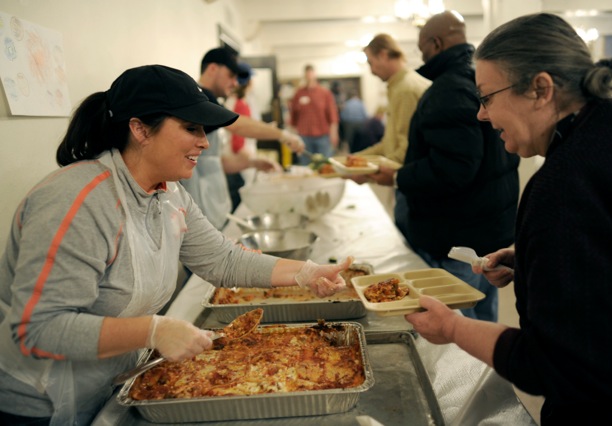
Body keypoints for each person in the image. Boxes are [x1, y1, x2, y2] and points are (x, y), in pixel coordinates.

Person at [0, 65, 352, 425]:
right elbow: (39, 329)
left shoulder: (169, 193)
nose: (204, 141)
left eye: (204, 130)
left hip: (111, 380)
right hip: (38, 402)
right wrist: (153, 330)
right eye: (191, 128)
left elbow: (222, 259)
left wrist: (305, 273)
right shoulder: (77, 202)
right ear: (139, 129)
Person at [405, 13, 612, 424]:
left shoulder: (564, 187)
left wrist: (453, 328)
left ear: (540, 89)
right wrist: (533, 256)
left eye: (487, 97)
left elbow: (558, 365)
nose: (481, 115)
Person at [369, 11, 520, 322]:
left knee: (458, 335)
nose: (420, 54)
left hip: (457, 237)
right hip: (488, 227)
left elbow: (453, 170)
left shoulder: (448, 89)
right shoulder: (479, 79)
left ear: (434, 44)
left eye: (422, 46)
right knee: (483, 318)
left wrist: (398, 176)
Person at [181, 47, 305, 229]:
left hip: (212, 202)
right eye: (231, 75)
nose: (235, 83)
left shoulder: (210, 101)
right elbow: (239, 124)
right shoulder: (199, 97)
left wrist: (253, 163)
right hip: (198, 204)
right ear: (213, 68)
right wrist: (282, 135)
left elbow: (213, 162)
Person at [355, 33, 430, 165]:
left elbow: (407, 150)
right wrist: (355, 159)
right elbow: (389, 144)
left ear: (383, 55)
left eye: (371, 63)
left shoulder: (405, 89)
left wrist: (369, 168)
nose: (372, 71)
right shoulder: (399, 87)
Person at [224, 62, 263, 211]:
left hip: (235, 161)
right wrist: (251, 162)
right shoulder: (240, 104)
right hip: (239, 163)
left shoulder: (232, 100)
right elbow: (238, 141)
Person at [289, 64, 340, 164]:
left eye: (311, 74)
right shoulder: (298, 93)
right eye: (307, 74)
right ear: (304, 75)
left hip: (323, 136)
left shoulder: (324, 93)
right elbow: (293, 117)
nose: (309, 77)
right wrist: (293, 136)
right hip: (304, 137)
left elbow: (333, 116)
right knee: (306, 166)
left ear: (315, 75)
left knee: (324, 164)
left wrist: (334, 133)